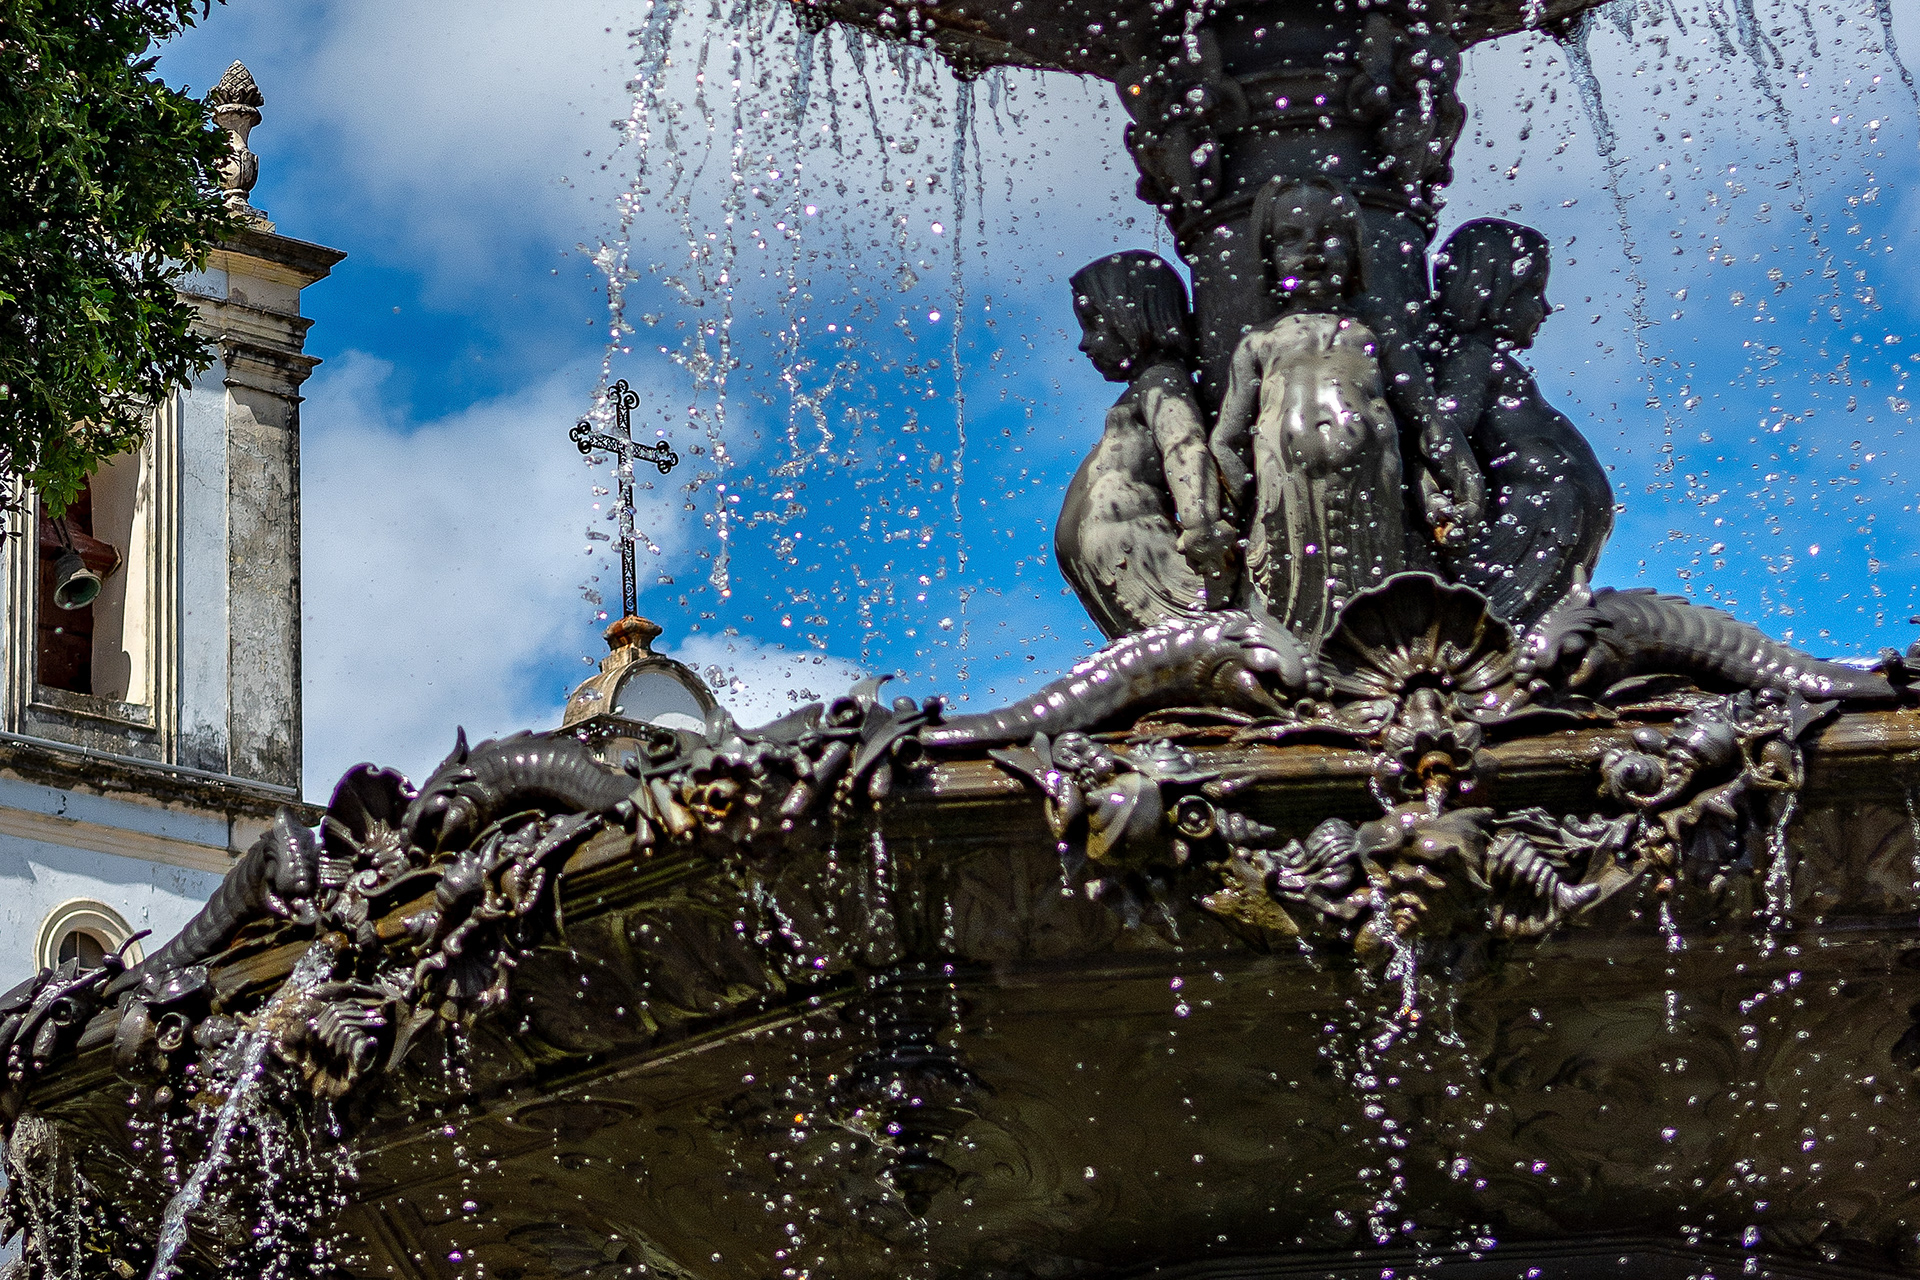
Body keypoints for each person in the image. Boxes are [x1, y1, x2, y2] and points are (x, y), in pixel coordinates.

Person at [1210, 176, 1473, 642]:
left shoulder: (1375, 333)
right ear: (1268, 258)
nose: (1312, 248)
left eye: (1330, 233)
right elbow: (1227, 439)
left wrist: (1462, 480)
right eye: (1290, 237)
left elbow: (1427, 418)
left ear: (1356, 251)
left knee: (1375, 586)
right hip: (1285, 493)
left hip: (1372, 488)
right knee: (1288, 596)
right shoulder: (1260, 343)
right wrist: (1227, 514)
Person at [1431, 218, 1613, 628]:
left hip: (1548, 529)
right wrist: (1461, 496)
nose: (1545, 309)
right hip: (1528, 532)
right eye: (1532, 293)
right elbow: (1443, 431)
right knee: (1510, 632)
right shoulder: (1470, 357)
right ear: (1491, 294)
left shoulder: (1492, 362)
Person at [1056, 251, 1236, 640]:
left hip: (1148, 564)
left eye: (1094, 324)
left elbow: (1184, 446)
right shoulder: (1143, 388)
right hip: (1124, 569)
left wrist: (1200, 522)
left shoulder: (1161, 381)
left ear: (1132, 317)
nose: (1084, 345)